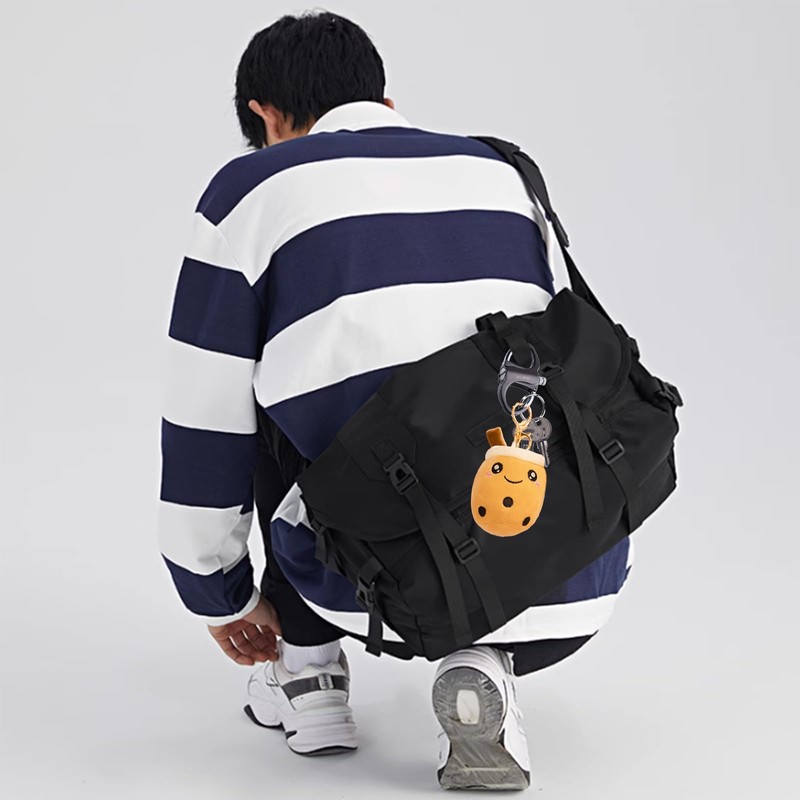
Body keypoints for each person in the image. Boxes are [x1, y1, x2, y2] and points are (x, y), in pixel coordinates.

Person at [157, 9, 634, 791]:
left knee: (271, 386)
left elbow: (202, 415)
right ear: (383, 99)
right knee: (485, 398)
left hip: (368, 584)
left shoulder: (255, 188)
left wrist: (218, 594)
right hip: (572, 563)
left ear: (264, 117)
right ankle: (483, 667)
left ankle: (307, 672)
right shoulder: (503, 171)